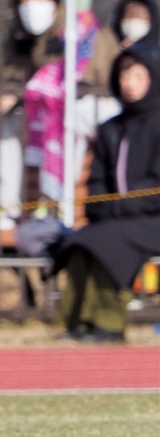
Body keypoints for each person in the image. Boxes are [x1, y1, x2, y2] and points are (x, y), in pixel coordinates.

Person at [51, 43, 160, 342]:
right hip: (118, 218)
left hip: (151, 218)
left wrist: (121, 206)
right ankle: (75, 321)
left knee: (107, 239)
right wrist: (105, 206)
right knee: (83, 239)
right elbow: (97, 180)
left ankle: (109, 323)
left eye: (139, 76)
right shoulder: (110, 128)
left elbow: (155, 183)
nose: (131, 83)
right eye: (125, 76)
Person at [14, 0, 119, 210]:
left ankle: (62, 198)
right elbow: (16, 76)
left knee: (69, 120)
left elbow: (100, 74)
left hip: (88, 103)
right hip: (45, 108)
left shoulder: (88, 33)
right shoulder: (23, 37)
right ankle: (39, 199)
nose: (31, 6)